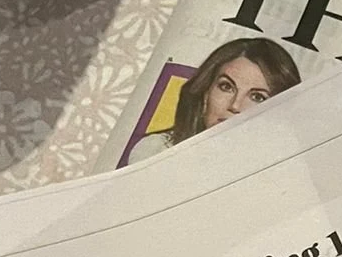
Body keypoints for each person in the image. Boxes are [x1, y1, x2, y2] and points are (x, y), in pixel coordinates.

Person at [125, 37, 302, 164]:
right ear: (205, 92)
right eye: (226, 87)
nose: (235, 106)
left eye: (257, 97)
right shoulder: (155, 151)